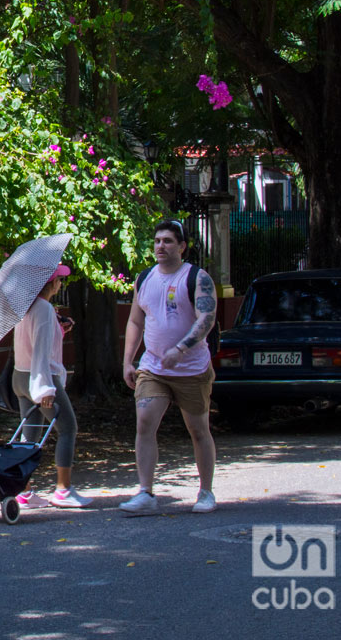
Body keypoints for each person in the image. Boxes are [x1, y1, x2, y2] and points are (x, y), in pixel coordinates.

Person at [120, 220, 218, 515]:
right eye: (157, 241)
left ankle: (205, 492)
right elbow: (136, 320)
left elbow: (206, 319)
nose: (160, 246)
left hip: (191, 368)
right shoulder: (145, 278)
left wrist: (181, 348)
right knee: (145, 424)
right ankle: (146, 493)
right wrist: (127, 360)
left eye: (168, 241)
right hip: (153, 367)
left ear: (182, 246)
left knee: (198, 429)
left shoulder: (197, 278)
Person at [11, 263, 92, 508]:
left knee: (30, 434)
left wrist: (60, 327)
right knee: (67, 428)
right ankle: (63, 490)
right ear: (52, 283)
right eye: (59, 280)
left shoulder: (25, 307)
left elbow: (34, 341)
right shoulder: (44, 309)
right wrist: (45, 388)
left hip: (20, 377)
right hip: (40, 377)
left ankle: (23, 491)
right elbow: (42, 352)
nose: (61, 284)